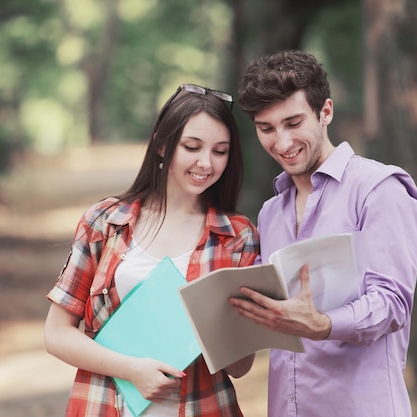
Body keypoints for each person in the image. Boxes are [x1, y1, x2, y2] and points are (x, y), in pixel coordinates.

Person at [44, 83, 259, 417]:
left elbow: (239, 367)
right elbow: (57, 334)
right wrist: (131, 370)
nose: (206, 162)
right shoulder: (106, 221)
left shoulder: (237, 236)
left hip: (202, 407)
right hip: (104, 405)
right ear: (162, 145)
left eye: (220, 151)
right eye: (192, 147)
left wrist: (230, 321)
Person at [229, 50, 417, 417]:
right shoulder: (271, 212)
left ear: (326, 112)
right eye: (266, 128)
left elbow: (392, 303)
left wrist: (323, 325)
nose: (282, 143)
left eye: (293, 122)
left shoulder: (379, 189)